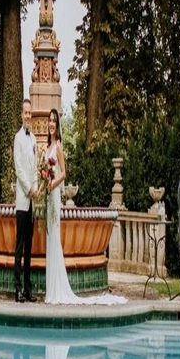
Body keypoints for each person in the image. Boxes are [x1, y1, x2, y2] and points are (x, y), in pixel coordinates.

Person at [44, 108, 127, 306]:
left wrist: (52, 183)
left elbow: (64, 173)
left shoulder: (58, 148)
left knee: (54, 238)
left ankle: (57, 290)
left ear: (58, 125)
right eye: (50, 120)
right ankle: (51, 289)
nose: (51, 124)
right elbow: (46, 171)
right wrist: (44, 180)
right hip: (47, 197)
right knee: (49, 239)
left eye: (54, 121)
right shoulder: (47, 148)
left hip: (54, 195)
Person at [13, 98, 38, 302]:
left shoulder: (34, 140)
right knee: (20, 246)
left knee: (30, 247)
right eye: (25, 113)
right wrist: (29, 188)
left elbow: (35, 168)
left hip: (33, 201)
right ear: (21, 115)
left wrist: (36, 186)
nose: (28, 116)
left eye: (30, 113)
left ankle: (29, 289)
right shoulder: (18, 138)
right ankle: (17, 288)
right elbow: (19, 169)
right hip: (22, 200)